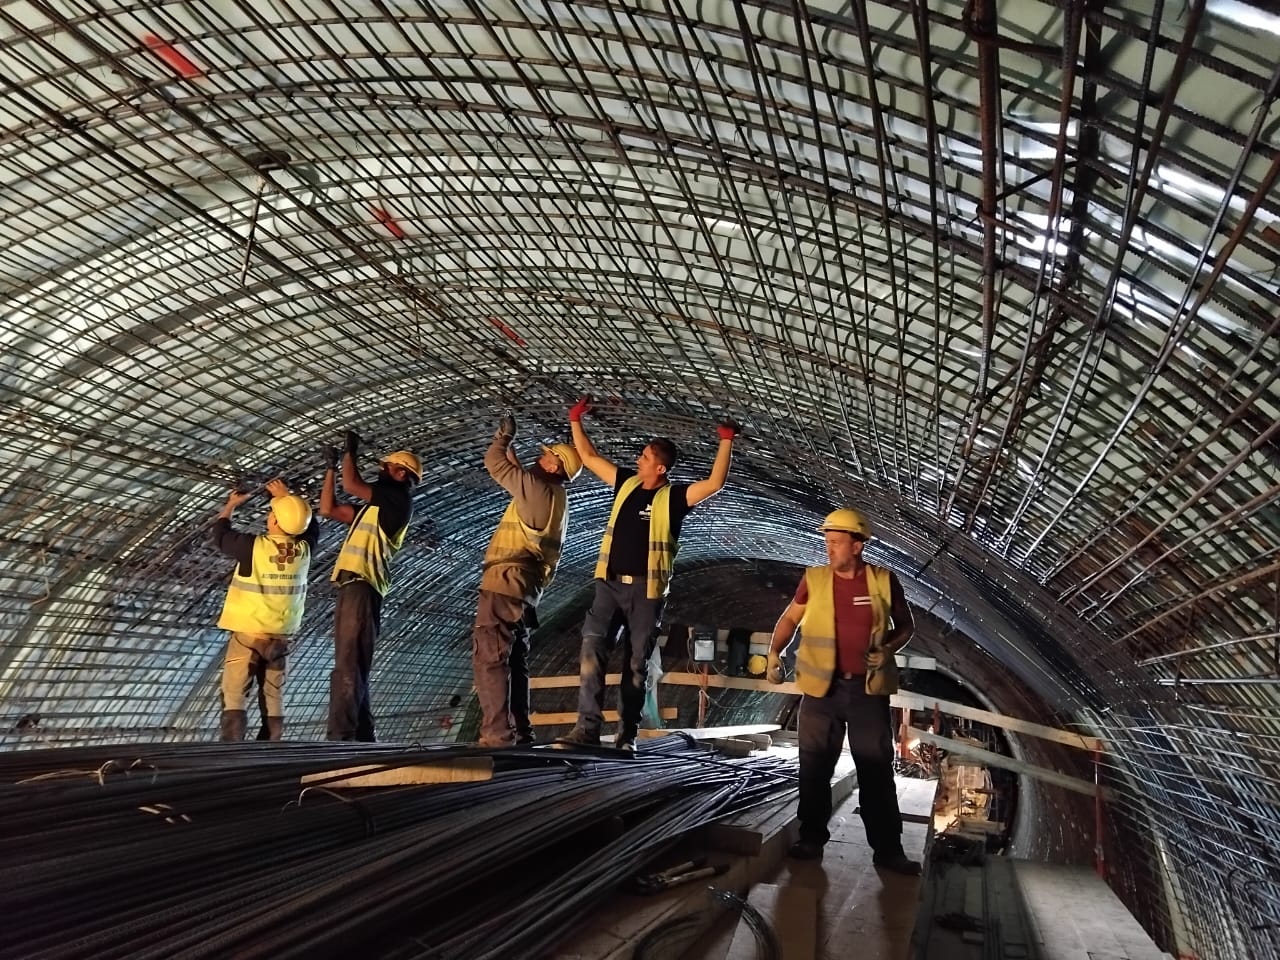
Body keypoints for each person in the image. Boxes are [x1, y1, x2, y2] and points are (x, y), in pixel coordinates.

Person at [560, 396, 737, 752]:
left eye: (644, 457)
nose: (637, 460)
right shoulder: (625, 483)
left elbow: (714, 483)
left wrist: (726, 441)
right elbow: (590, 458)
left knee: (636, 664)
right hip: (609, 585)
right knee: (592, 650)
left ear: (660, 468)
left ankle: (627, 735)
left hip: (646, 593)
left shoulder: (674, 499)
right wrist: (575, 420)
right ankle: (586, 729)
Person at [766, 507, 920, 875]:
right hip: (821, 693)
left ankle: (888, 851)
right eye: (827, 541)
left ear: (857, 545)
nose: (829, 548)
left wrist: (888, 648)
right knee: (814, 769)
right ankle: (811, 839)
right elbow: (790, 618)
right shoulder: (814, 579)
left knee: (876, 772)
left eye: (836, 542)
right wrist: (774, 652)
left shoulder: (884, 580)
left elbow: (906, 626)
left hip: (867, 691)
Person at [472, 414, 582, 747]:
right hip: (525, 589)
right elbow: (521, 479)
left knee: (490, 657)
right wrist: (514, 454)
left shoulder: (536, 489)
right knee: (514, 659)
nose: (540, 456)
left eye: (546, 455)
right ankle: (520, 732)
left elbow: (495, 464)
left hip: (504, 583)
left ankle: (497, 735)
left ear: (554, 465)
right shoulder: (555, 496)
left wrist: (503, 438)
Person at [319, 431, 420, 742]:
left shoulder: (397, 501)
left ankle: (340, 738)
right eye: (392, 467)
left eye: (391, 467)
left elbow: (352, 485)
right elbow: (328, 509)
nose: (387, 471)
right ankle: (363, 735)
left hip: (363, 586)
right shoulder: (373, 509)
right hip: (353, 586)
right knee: (353, 663)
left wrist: (350, 452)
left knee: (348, 665)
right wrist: (331, 469)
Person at [212, 478, 318, 742]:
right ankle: (272, 743)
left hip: (249, 635)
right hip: (280, 638)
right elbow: (309, 526)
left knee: (235, 692)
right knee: (273, 693)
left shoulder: (253, 546)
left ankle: (233, 747)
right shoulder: (304, 550)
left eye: (272, 514)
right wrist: (285, 497)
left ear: (276, 522)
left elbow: (221, 535)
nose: (269, 516)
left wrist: (231, 505)